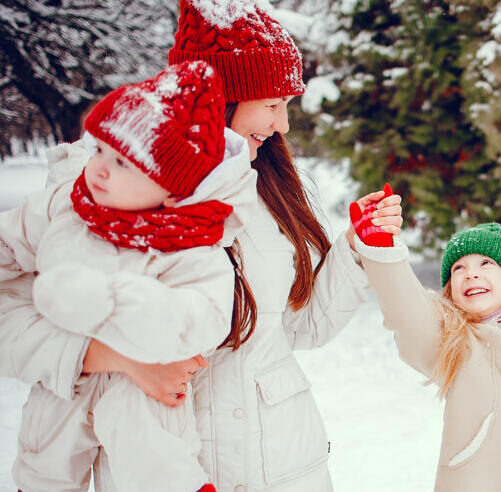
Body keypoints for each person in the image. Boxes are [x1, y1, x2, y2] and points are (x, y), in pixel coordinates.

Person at [0, 0, 402, 490]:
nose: (284, 126)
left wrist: (353, 248)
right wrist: (116, 357)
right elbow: (13, 316)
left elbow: (294, 328)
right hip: (165, 467)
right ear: (223, 98)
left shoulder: (267, 187)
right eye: (273, 105)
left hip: (279, 467)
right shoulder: (103, 188)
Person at [0, 61, 249, 492]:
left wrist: (116, 300)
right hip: (57, 415)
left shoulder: (193, 247)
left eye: (121, 162)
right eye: (98, 149)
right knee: (48, 467)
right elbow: (7, 246)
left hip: (149, 436)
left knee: (155, 462)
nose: (97, 168)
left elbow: (203, 319)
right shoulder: (64, 207)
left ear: (171, 188)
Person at [348, 181, 501, 491]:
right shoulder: (451, 342)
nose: (471, 274)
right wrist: (382, 250)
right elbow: (406, 311)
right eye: (458, 268)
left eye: (486, 263)